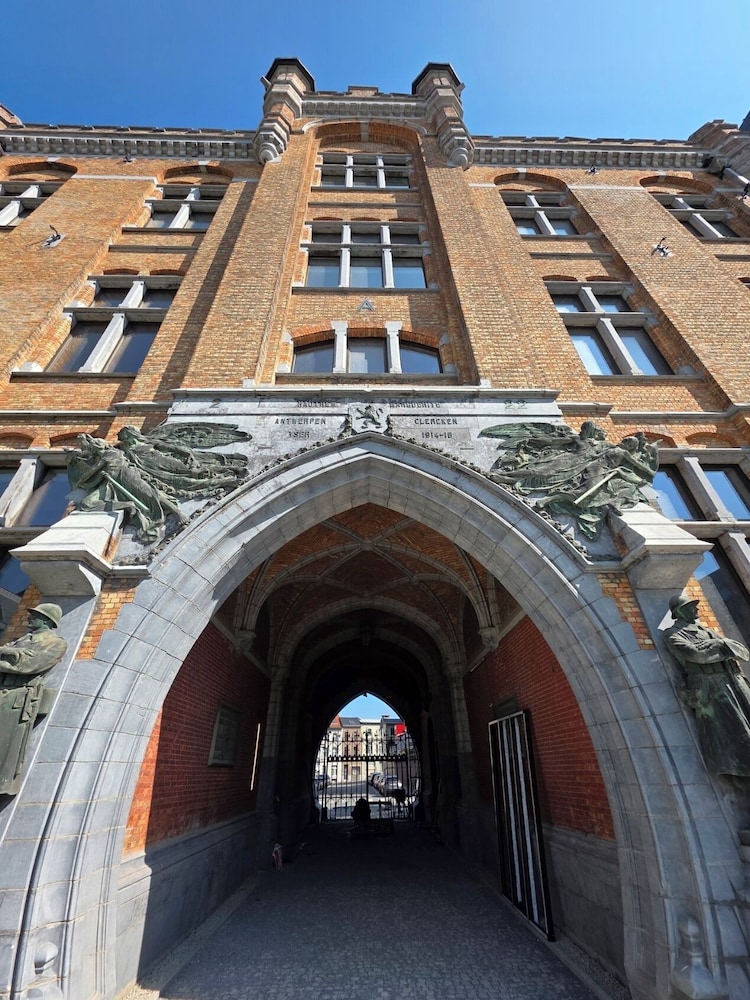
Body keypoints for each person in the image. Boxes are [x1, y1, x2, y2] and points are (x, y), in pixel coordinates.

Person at [665, 595, 750, 777]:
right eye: (691, 606)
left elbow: (743, 651)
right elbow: (696, 655)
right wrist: (724, 647)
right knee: (737, 734)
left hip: (735, 681)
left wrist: (719, 643)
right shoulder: (673, 633)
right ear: (679, 611)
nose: (696, 609)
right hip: (713, 688)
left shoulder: (707, 631)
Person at [0, 604, 67, 795]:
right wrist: (8, 653)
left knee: (4, 745)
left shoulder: (55, 643)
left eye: (35, 615)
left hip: (17, 699)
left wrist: (7, 655)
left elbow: (27, 665)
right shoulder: (20, 640)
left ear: (47, 620)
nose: (29, 618)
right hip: (3, 691)